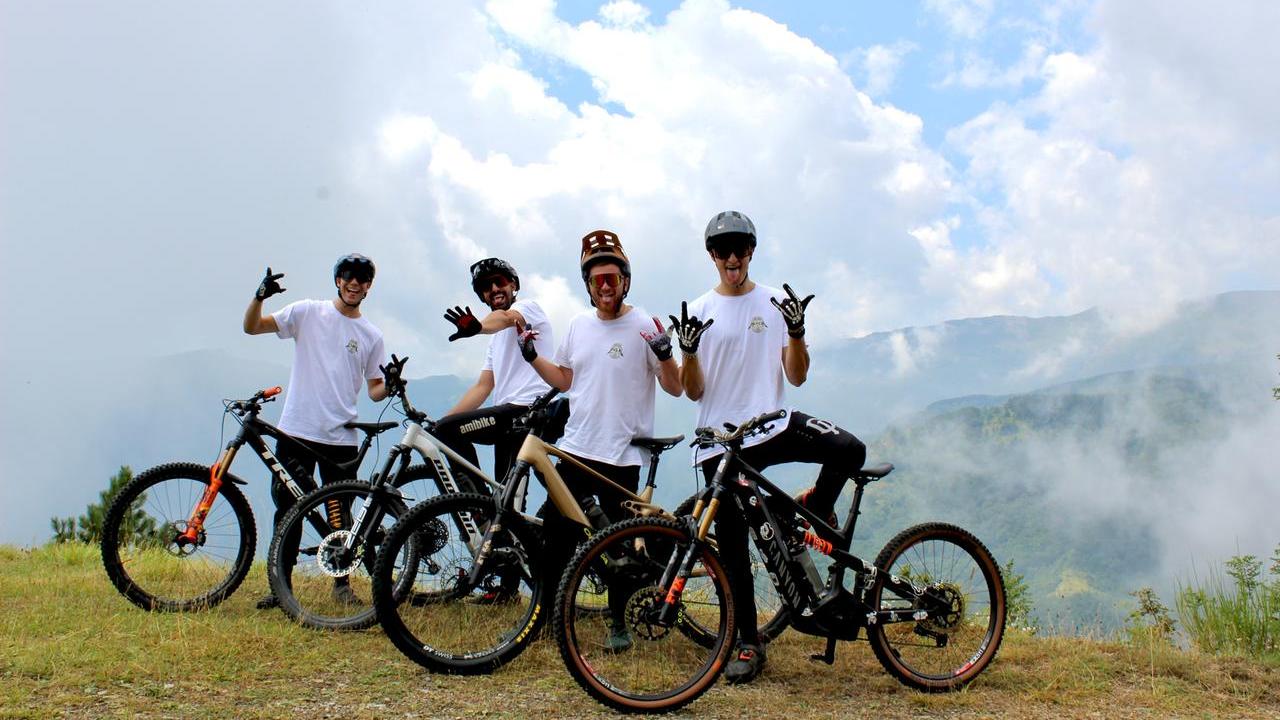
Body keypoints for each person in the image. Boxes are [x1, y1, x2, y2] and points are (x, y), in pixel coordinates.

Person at [671, 210, 866, 684]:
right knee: (735, 547)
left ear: (752, 251)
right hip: (721, 444)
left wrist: (797, 333)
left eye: (740, 248)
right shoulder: (698, 309)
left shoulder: (775, 303)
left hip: (773, 426)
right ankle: (746, 642)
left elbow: (797, 375)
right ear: (711, 256)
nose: (732, 258)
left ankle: (815, 505)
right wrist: (691, 352)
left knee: (849, 449)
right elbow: (691, 390)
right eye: (723, 250)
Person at [516, 229, 682, 651]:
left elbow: (676, 387)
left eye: (612, 278)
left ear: (625, 281)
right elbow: (567, 378)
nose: (605, 286)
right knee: (556, 538)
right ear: (588, 286)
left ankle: (618, 625)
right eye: (597, 280)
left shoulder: (644, 324)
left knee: (621, 548)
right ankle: (548, 619)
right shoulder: (578, 324)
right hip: (576, 449)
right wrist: (533, 358)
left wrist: (665, 354)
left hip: (622, 453)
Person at [242, 254, 391, 608]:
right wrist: (260, 296)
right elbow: (252, 327)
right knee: (288, 509)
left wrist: (392, 384)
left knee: (339, 513)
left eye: (362, 278)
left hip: (341, 436)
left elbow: (374, 388)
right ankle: (281, 587)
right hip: (296, 430)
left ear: (369, 286)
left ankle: (342, 585)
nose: (354, 283)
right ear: (338, 280)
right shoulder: (307, 312)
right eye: (348, 276)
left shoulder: (371, 335)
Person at [435, 257, 555, 488]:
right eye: (485, 287)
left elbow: (506, 318)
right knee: (505, 495)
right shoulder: (495, 339)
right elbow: (483, 387)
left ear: (514, 285)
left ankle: (479, 509)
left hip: (529, 409)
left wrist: (478, 327)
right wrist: (443, 421)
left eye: (499, 282)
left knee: (448, 432)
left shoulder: (528, 309)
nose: (494, 289)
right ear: (482, 296)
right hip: (509, 419)